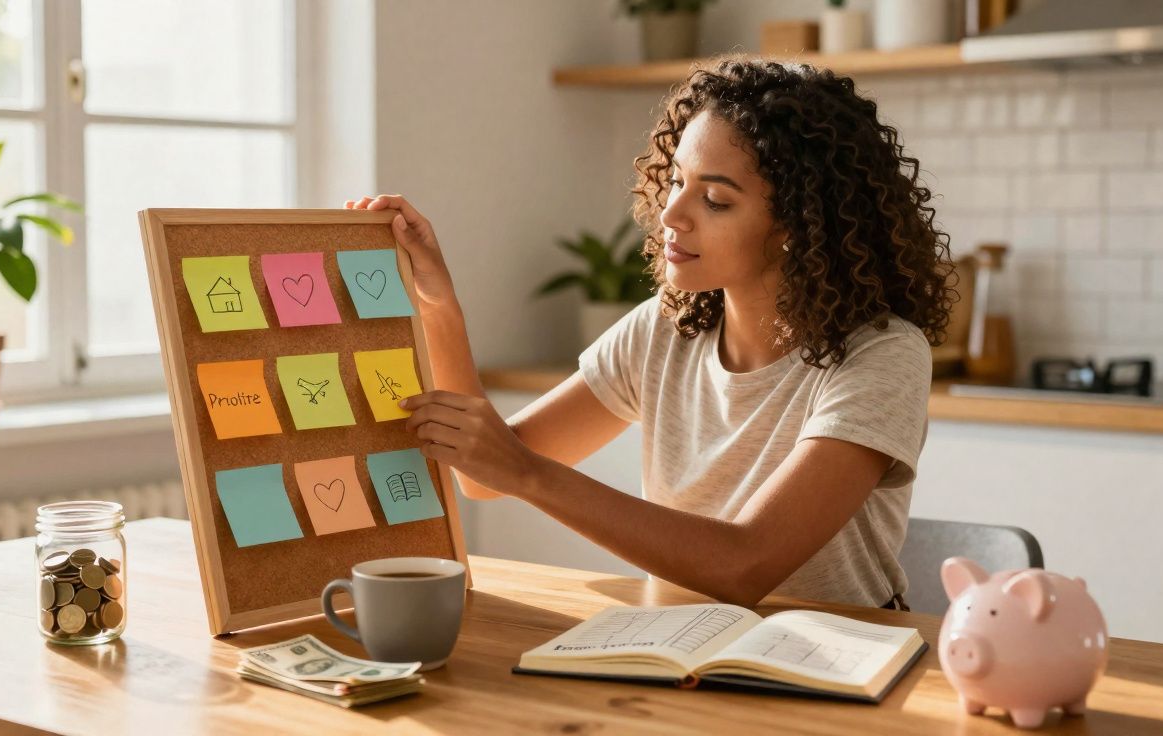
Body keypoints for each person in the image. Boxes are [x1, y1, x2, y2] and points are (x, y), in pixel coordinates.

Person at [346, 57, 954, 610]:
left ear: (799, 224)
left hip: (840, 664)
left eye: (715, 199)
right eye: (678, 181)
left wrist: (528, 474)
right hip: (684, 647)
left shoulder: (882, 354)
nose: (671, 213)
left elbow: (746, 564)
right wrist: (437, 306)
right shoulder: (666, 328)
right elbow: (483, 475)